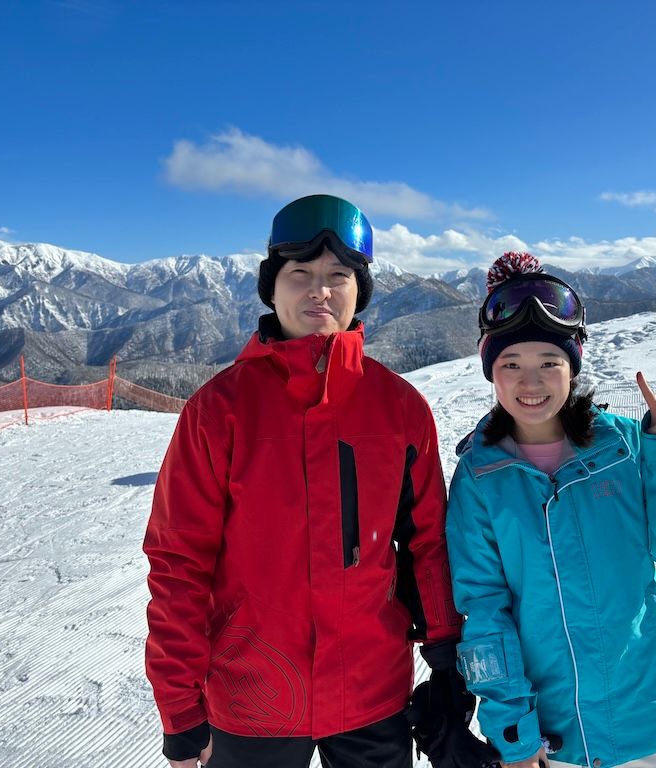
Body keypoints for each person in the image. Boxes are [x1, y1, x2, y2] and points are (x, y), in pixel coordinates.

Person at [143, 194, 491, 768]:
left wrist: (447, 656)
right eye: (300, 274)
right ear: (271, 289)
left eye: (337, 276)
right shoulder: (219, 411)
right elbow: (179, 560)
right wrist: (179, 704)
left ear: (360, 290)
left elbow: (428, 543)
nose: (319, 291)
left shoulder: (399, 408)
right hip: (252, 694)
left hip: (372, 692)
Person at [445, 252, 656, 768]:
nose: (531, 383)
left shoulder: (626, 448)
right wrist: (513, 732)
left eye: (549, 363)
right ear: (490, 372)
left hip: (645, 717)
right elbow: (484, 612)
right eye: (511, 364)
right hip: (557, 730)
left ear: (573, 366)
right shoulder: (480, 478)